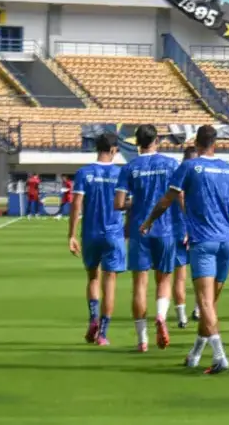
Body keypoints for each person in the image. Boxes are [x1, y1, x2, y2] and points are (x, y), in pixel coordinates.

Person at [141, 125, 229, 374]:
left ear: (196, 144)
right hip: (228, 242)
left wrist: (149, 220)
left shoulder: (189, 167)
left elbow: (167, 199)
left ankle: (219, 356)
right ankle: (195, 354)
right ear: (216, 143)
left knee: (205, 302)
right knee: (210, 304)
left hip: (203, 242)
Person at [114, 125, 180, 352]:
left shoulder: (130, 167)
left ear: (136, 143)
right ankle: (161, 316)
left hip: (139, 229)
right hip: (166, 228)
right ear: (157, 140)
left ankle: (142, 340)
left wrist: (138, 203)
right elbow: (179, 197)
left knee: (139, 285)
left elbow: (119, 204)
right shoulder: (171, 164)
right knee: (164, 280)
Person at [67, 133, 123, 346]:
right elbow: (127, 202)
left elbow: (76, 203)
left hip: (90, 232)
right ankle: (103, 333)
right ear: (113, 150)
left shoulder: (84, 172)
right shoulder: (120, 173)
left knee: (93, 278)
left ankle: (93, 318)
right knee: (110, 282)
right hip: (113, 233)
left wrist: (72, 234)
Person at [174, 146, 196, 328]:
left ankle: (182, 316)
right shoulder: (195, 175)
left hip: (176, 229)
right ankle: (197, 310)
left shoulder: (177, 173)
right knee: (200, 273)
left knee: (180, 276)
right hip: (192, 229)